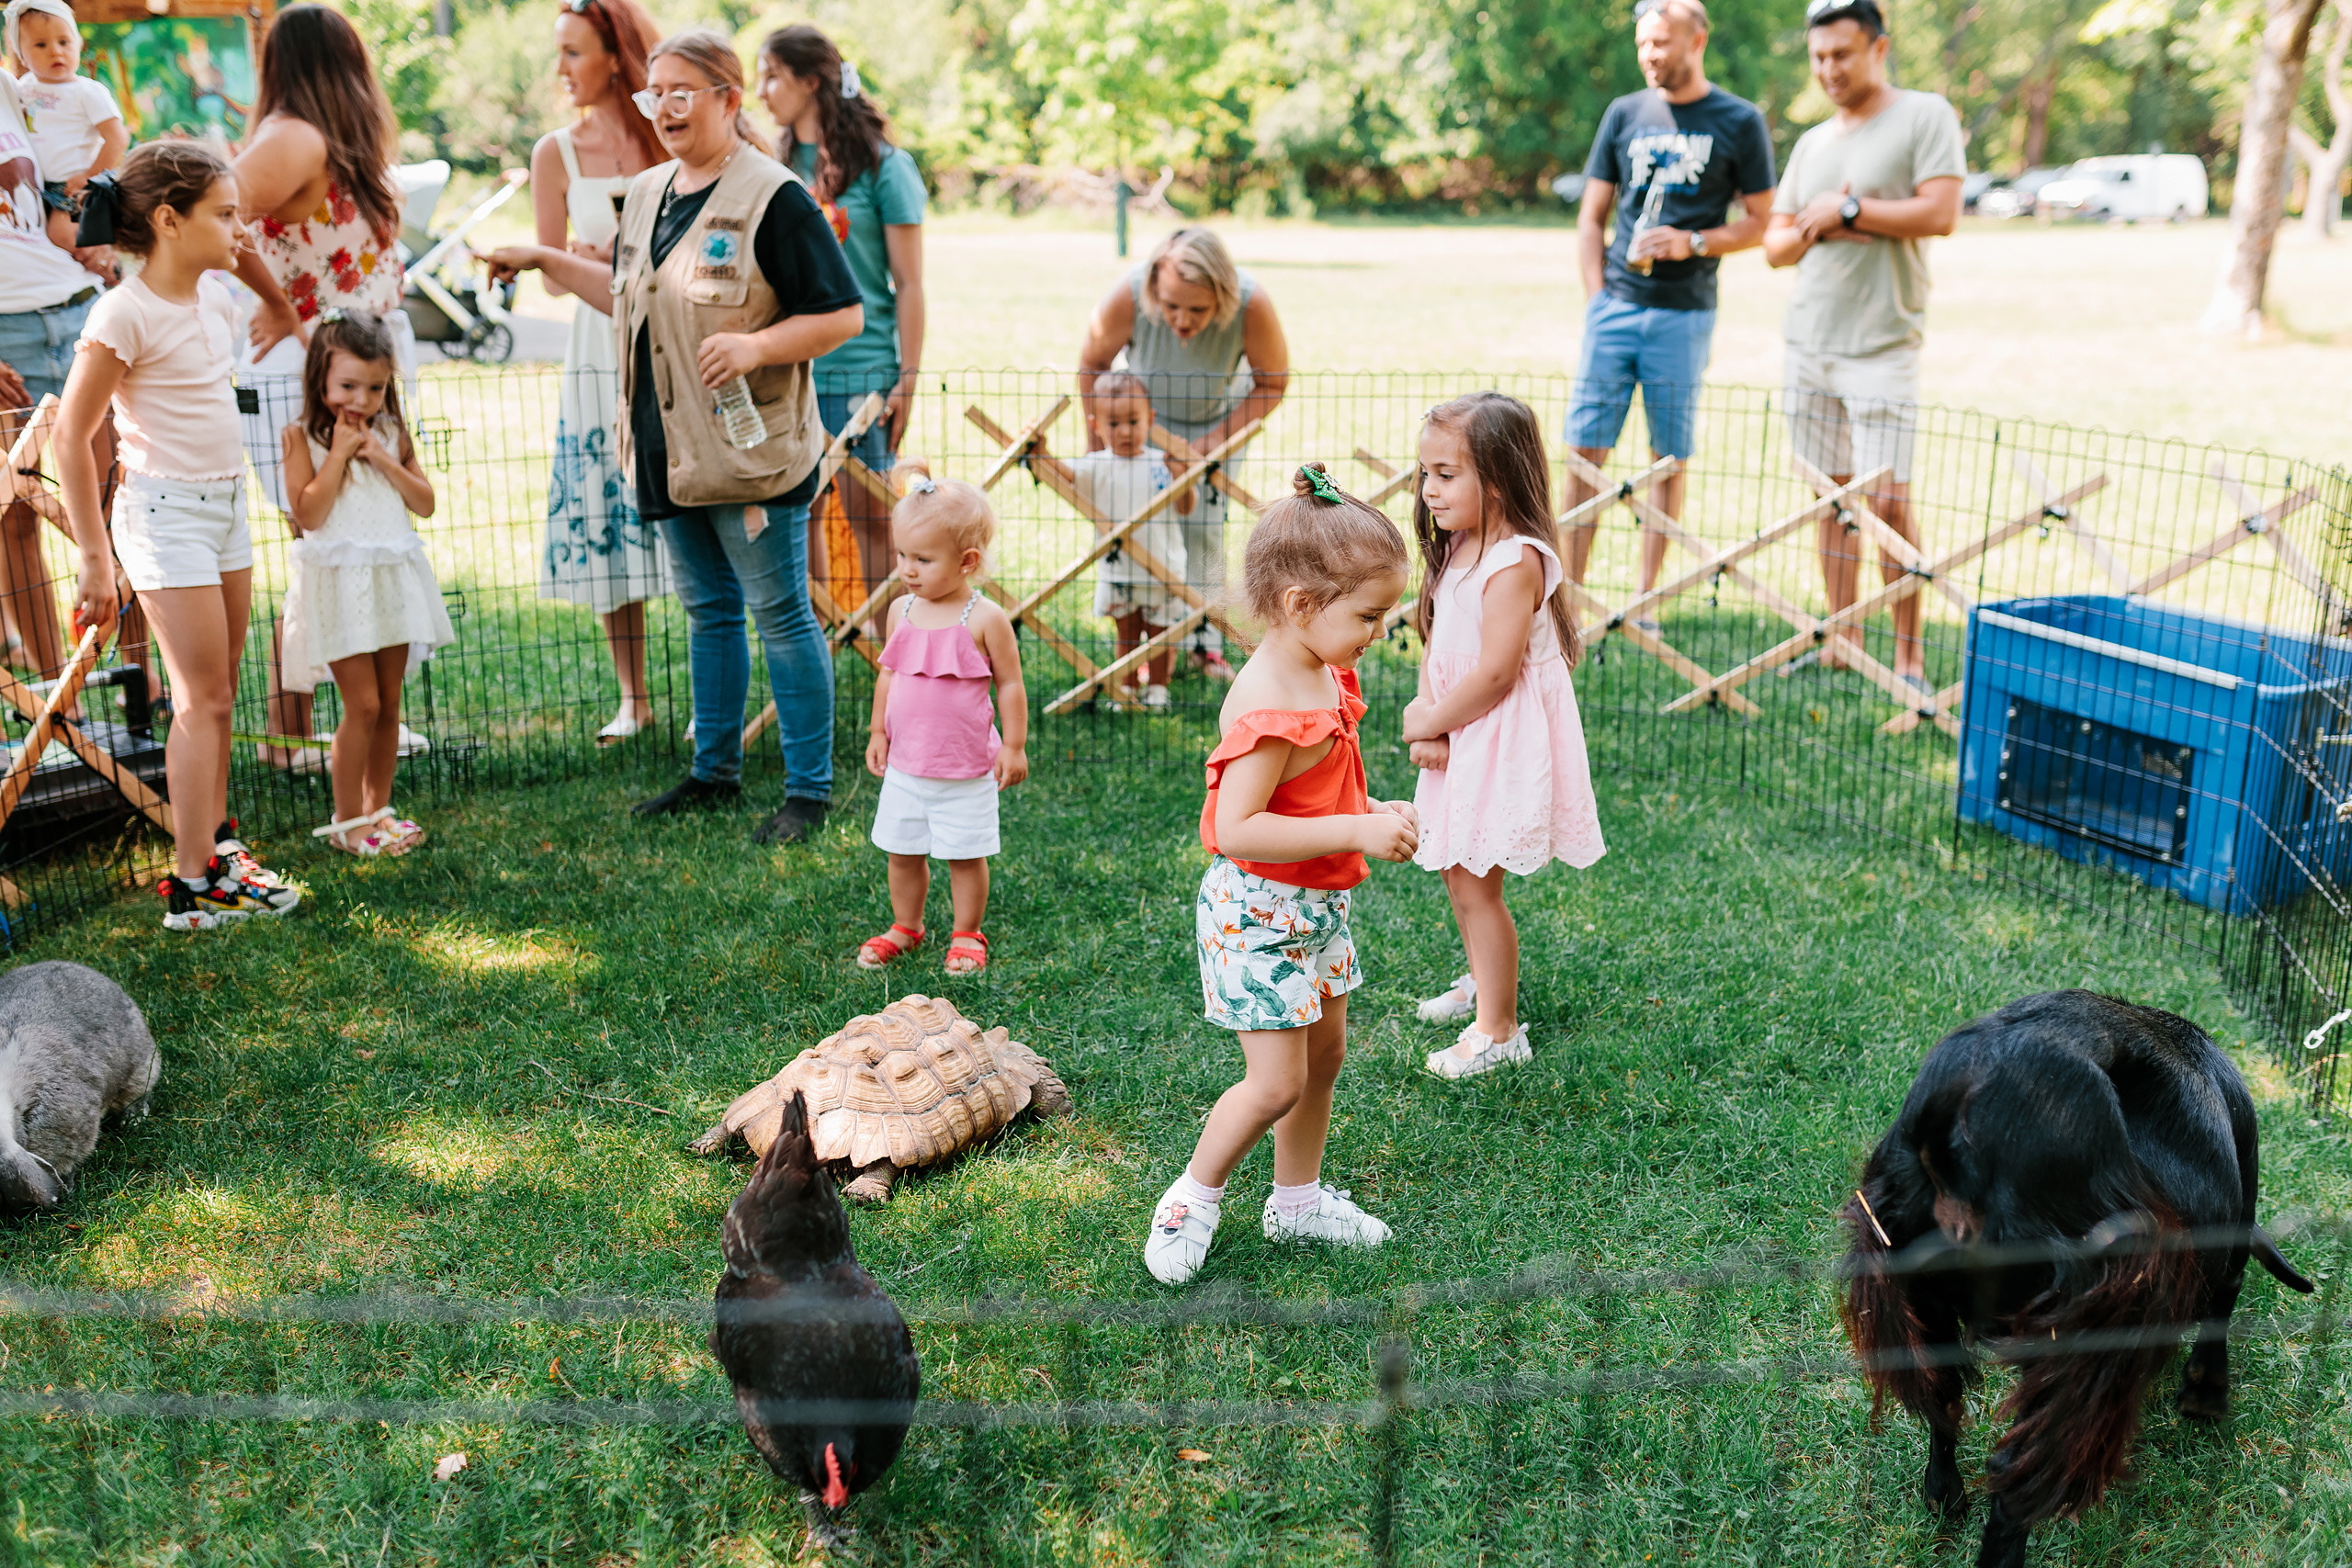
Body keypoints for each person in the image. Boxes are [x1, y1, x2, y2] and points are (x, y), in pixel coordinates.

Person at [481, 28, 863, 844]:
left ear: (731, 99)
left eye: (684, 92)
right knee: (708, 610)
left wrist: (759, 345)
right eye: (657, 93)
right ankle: (713, 772)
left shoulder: (776, 197)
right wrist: (541, 256)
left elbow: (843, 314)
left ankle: (809, 791)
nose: (666, 109)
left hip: (752, 450)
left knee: (781, 613)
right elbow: (628, 296)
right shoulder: (650, 191)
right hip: (667, 446)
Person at [1144, 465, 1419, 1288]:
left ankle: (1296, 1201)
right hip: (1256, 916)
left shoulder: (1322, 668)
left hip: (1316, 906)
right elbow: (1238, 828)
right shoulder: (1268, 703)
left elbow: (1322, 783)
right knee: (1275, 1081)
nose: (1379, 629)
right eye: (1368, 614)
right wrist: (1359, 828)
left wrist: (1371, 805)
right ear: (1301, 604)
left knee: (1325, 1055)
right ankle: (1191, 1198)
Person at [56, 141, 301, 931]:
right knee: (200, 697)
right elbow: (70, 436)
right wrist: (95, 558)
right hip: (165, 517)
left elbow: (213, 380)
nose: (240, 228)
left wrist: (274, 293)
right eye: (224, 215)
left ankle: (216, 851)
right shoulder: (122, 312)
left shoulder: (215, 298)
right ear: (169, 219)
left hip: (225, 508)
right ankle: (191, 886)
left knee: (220, 694)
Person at [225, 3, 413, 768]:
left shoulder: (330, 141)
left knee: (351, 541)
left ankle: (353, 727)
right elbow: (214, 214)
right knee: (319, 542)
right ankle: (293, 734)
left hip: (353, 367)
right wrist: (279, 304)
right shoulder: (294, 138)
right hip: (308, 374)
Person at [1402, 394, 1607, 1078]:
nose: (1429, 488)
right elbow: (1445, 647)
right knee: (1458, 871)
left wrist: (1432, 719)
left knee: (1476, 881)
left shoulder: (1515, 560)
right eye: (1425, 472)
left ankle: (1498, 1029)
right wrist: (1431, 713)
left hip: (1497, 734)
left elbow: (1494, 673)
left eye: (1445, 473)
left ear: (1498, 479)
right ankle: (1482, 982)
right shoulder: (1462, 543)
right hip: (1465, 728)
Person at [1765, 0, 1963, 691]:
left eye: (1842, 55)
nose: (1829, 70)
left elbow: (1941, 212)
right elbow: (1774, 244)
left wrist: (1853, 210)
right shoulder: (1814, 143)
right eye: (1819, 57)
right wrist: (1818, 224)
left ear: (1879, 48)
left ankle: (1908, 654)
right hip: (1809, 341)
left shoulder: (1924, 116)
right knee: (1831, 500)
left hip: (1882, 345)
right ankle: (1842, 635)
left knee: (1890, 504)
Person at [1566, 0, 1774, 598]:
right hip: (1615, 308)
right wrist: (1596, 298)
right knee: (1584, 451)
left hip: (1684, 314)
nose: (1651, 55)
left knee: (1667, 458)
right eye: (1644, 45)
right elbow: (1591, 217)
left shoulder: (1739, 120)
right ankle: (1570, 594)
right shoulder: (1624, 113)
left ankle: (1646, 597)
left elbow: (1762, 221)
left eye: (1662, 43)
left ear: (1697, 41)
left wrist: (1696, 241)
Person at [529, 0, 668, 747]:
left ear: (615, 56)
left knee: (691, 502)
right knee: (607, 507)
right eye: (559, 53)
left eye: (574, 53)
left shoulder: (664, 136)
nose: (562, 70)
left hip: (676, 331)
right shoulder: (557, 152)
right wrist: (601, 259)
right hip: (597, 341)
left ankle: (718, 687)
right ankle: (634, 696)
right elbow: (551, 273)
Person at [757, 24, 924, 614]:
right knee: (796, 516)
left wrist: (907, 376)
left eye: (772, 76)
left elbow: (908, 284)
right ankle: (821, 639)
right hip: (783, 369)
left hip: (858, 372)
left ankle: (887, 648)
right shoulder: (763, 164)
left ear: (809, 81)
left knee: (872, 518)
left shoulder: (885, 167)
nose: (762, 92)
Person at [1076, 227, 1288, 683]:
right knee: (1143, 525)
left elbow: (1272, 382)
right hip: (1142, 421)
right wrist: (1099, 450)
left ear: (1224, 296)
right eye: (1170, 306)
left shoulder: (1252, 304)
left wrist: (1216, 441)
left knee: (1203, 529)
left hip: (1217, 424)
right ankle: (1144, 628)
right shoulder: (1130, 294)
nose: (1181, 320)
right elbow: (1093, 362)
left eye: (1197, 309)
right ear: (1154, 286)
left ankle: (1205, 642)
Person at [278, 310, 454, 857]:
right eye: (348, 386)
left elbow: (423, 504)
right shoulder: (299, 438)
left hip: (391, 583)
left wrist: (382, 457)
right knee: (364, 705)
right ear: (320, 380)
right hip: (340, 589)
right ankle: (347, 821)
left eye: (375, 388)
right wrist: (337, 457)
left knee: (391, 703)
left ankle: (380, 812)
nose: (361, 400)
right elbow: (308, 513)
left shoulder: (391, 433)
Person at [856, 469, 1026, 977]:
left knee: (965, 855)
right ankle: (906, 925)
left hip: (965, 768)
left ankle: (966, 932)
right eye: (903, 555)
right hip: (908, 765)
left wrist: (1013, 746)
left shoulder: (984, 618)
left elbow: (1011, 685)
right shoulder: (901, 610)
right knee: (901, 851)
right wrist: (878, 731)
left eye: (923, 560)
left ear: (967, 562)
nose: (907, 569)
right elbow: (889, 674)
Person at [0, 66, 105, 682]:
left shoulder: (19, 89)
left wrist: (97, 241)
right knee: (17, 517)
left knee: (119, 497)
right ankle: (59, 699)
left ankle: (144, 687)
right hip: (7, 336)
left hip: (78, 312)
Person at [1069, 369, 1191, 709]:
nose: (1125, 431)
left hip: (1161, 566)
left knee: (1161, 633)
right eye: (1114, 424)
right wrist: (1040, 453)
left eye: (1133, 421)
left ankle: (1157, 687)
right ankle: (1125, 686)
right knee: (1126, 632)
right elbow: (1065, 475)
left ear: (1150, 419)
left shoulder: (1160, 463)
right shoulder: (1095, 465)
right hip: (1120, 568)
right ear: (1096, 425)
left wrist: (1181, 475)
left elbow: (1185, 506)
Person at [6, 0, 126, 203]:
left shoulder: (88, 91)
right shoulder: (23, 87)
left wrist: (89, 177)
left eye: (64, 42)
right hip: (31, 186)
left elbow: (117, 139)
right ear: (22, 56)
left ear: (78, 44)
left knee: (62, 233)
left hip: (74, 185)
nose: (56, 51)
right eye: (41, 44)